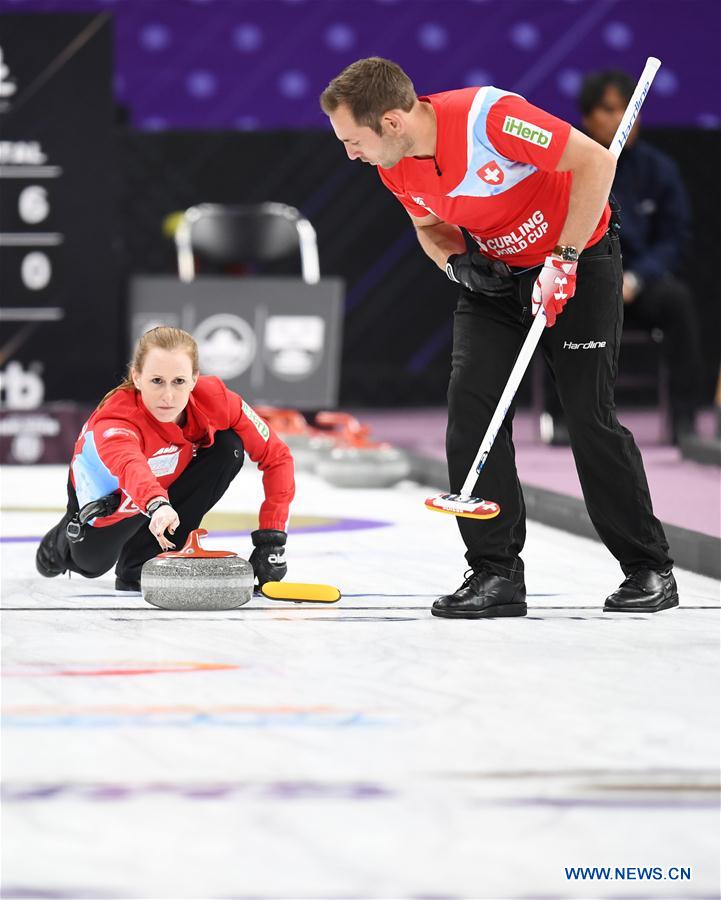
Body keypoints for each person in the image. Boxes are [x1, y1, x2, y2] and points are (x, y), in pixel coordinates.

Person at [320, 57, 677, 618]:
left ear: (391, 121)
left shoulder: (491, 119)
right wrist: (457, 267)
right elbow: (429, 228)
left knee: (588, 415)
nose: (349, 153)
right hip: (495, 277)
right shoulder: (392, 167)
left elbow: (596, 165)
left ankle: (648, 568)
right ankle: (496, 574)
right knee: (472, 413)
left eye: (352, 139)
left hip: (578, 261)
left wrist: (564, 258)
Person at [36, 326, 294, 591]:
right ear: (137, 377)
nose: (168, 397)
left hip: (162, 498)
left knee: (228, 448)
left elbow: (278, 456)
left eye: (179, 381)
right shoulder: (115, 420)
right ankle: (59, 544)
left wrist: (272, 540)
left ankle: (142, 565)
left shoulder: (217, 400)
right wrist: (157, 505)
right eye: (157, 381)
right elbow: (130, 466)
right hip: (112, 504)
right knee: (91, 565)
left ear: (194, 379)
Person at [580, 69, 702, 443]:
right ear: (587, 118)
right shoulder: (571, 166)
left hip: (639, 285)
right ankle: (566, 417)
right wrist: (603, 279)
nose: (621, 119)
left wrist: (635, 279)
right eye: (609, 109)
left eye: (629, 109)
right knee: (553, 304)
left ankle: (685, 420)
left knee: (678, 302)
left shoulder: (660, 170)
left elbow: (673, 239)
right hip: (588, 281)